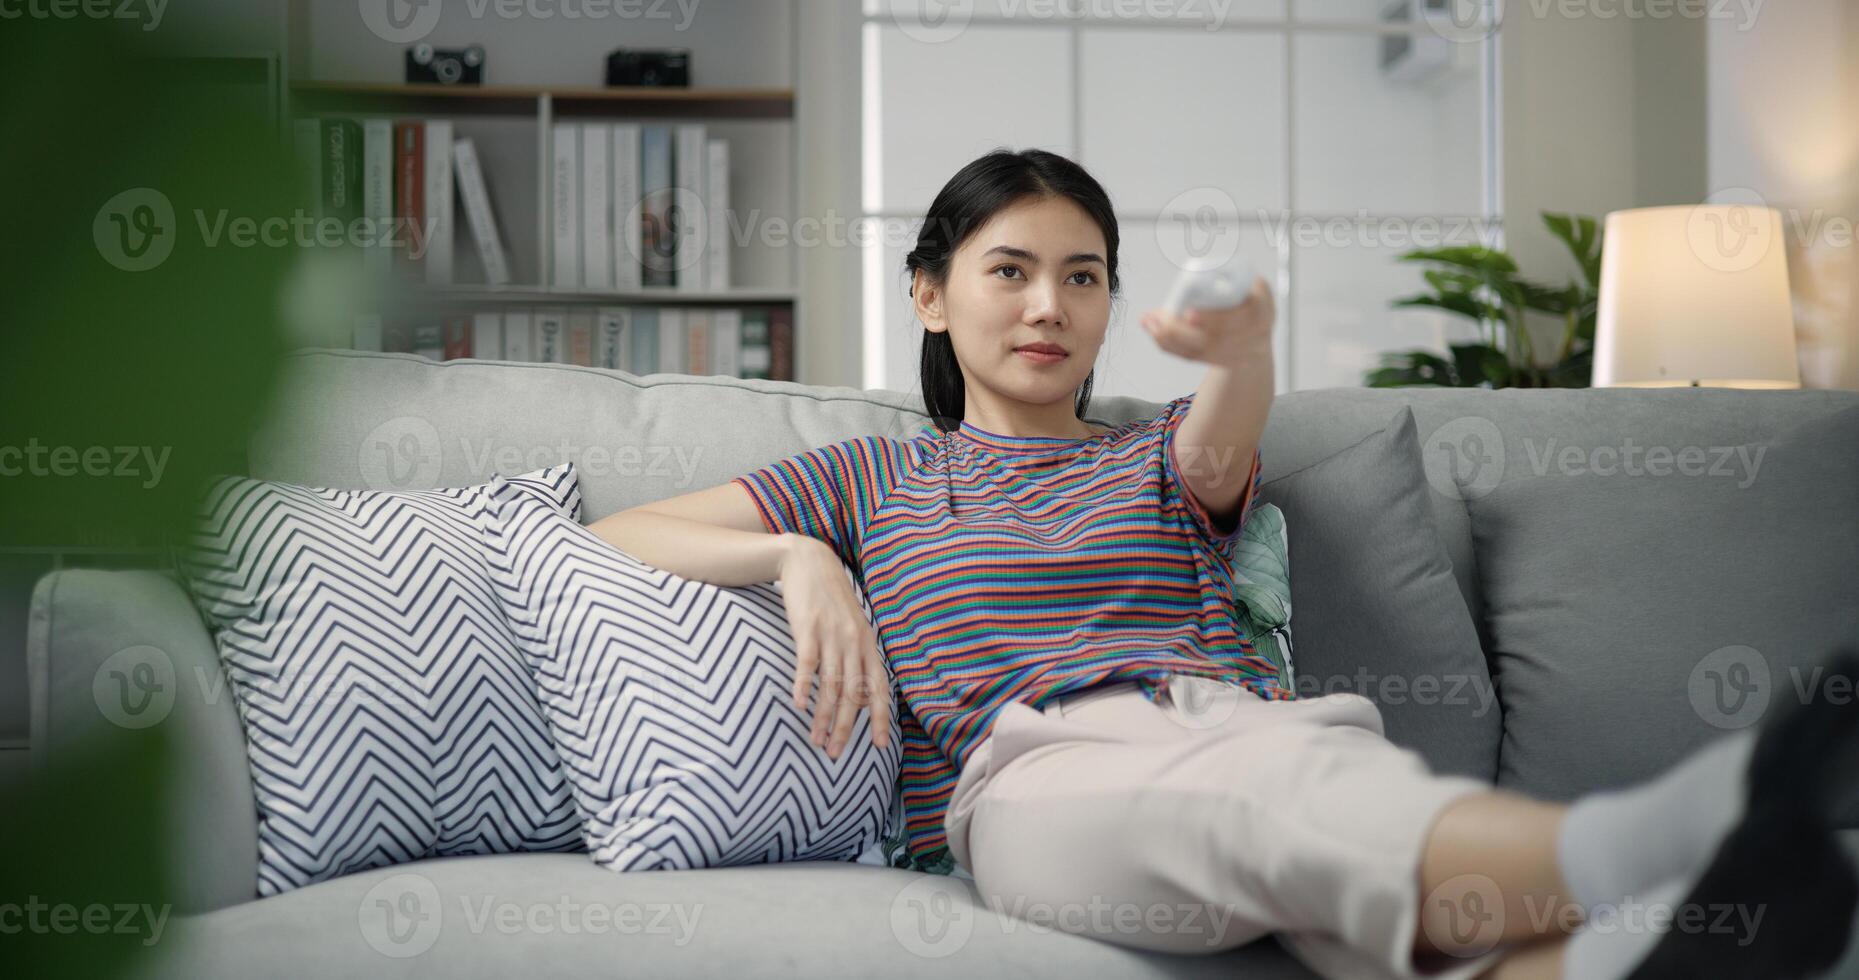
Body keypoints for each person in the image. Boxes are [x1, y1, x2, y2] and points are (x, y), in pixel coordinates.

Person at [587, 148, 1858, 980]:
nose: (1046, 306)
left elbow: (1218, 437)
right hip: (1031, 781)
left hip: (1242, 725)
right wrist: (797, 554)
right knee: (1258, 804)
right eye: (1009, 271)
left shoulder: (1149, 458)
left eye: (1079, 278)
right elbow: (613, 535)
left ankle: (1642, 943)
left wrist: (1240, 341)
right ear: (930, 294)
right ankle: (1650, 837)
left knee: (1351, 850)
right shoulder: (873, 477)